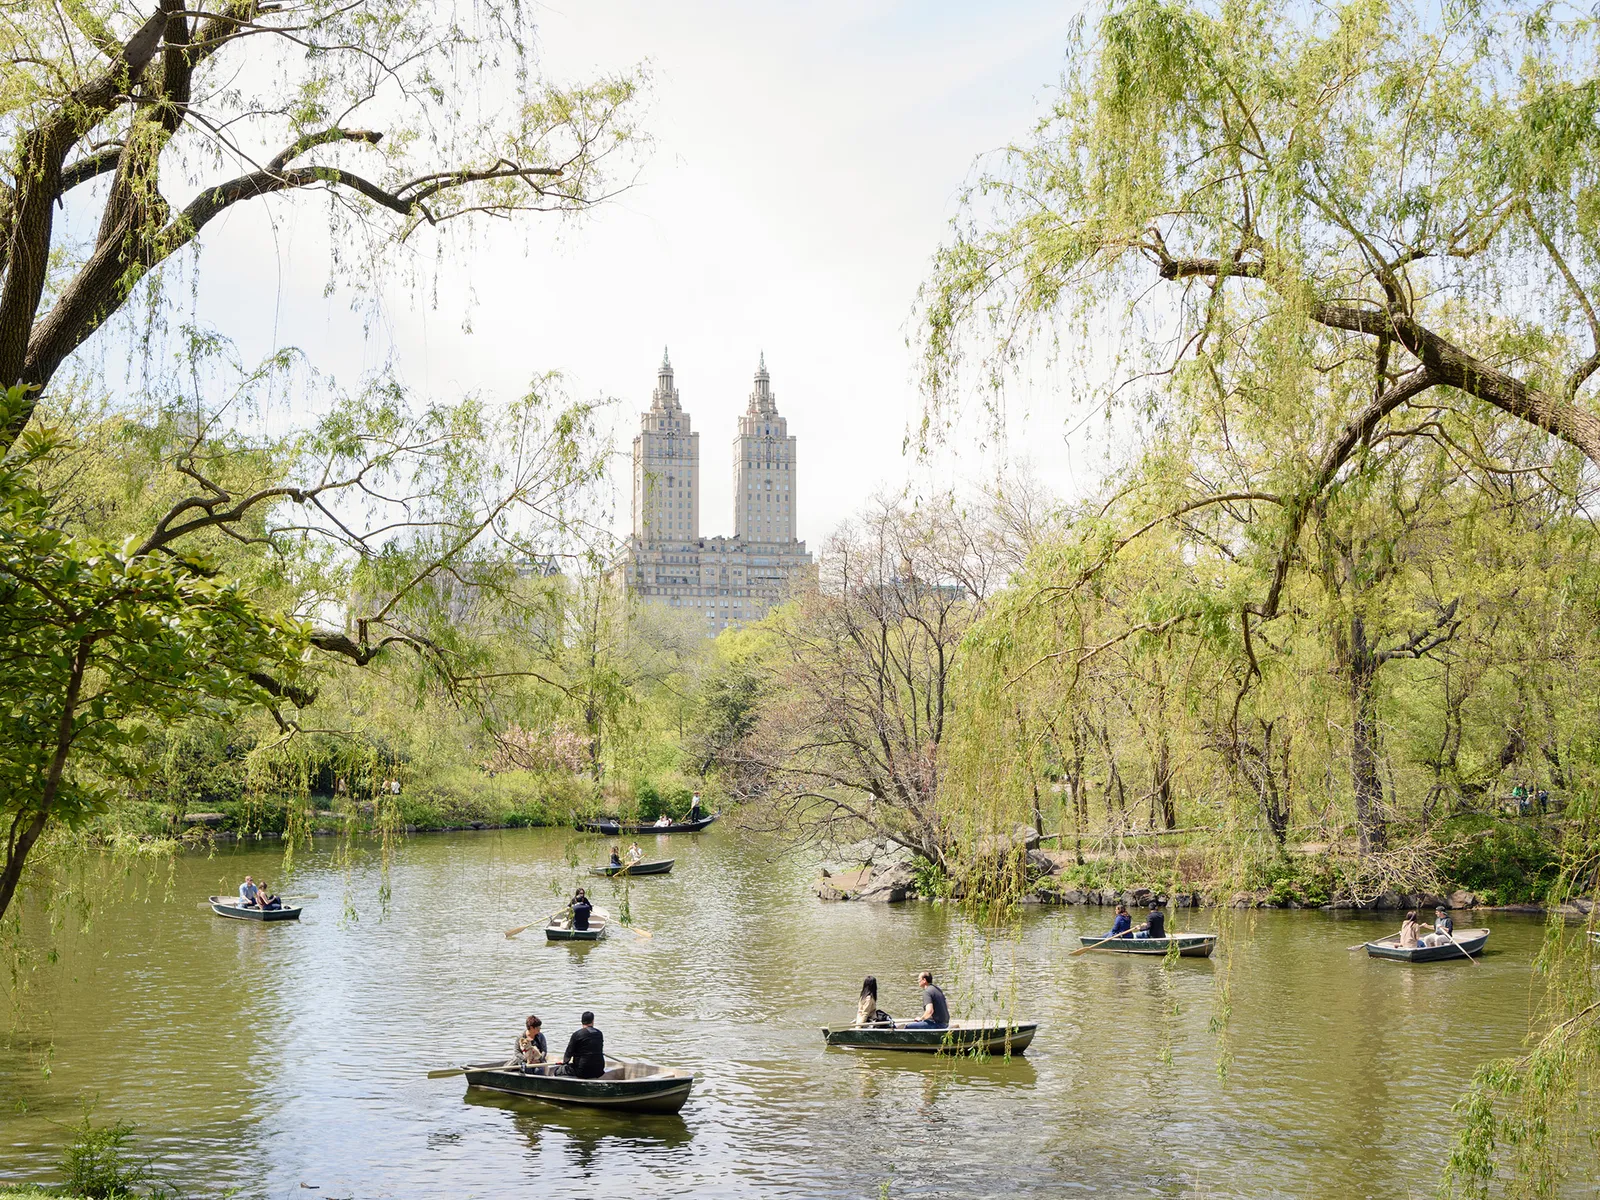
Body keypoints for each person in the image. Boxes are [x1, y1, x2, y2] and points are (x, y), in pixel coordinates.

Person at [558, 1011, 606, 1078]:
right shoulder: (599, 1033)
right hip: (599, 1070)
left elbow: (569, 1052)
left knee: (559, 1071)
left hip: (583, 1071)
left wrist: (564, 1063)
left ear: (582, 1021)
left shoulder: (577, 1034)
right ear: (593, 1021)